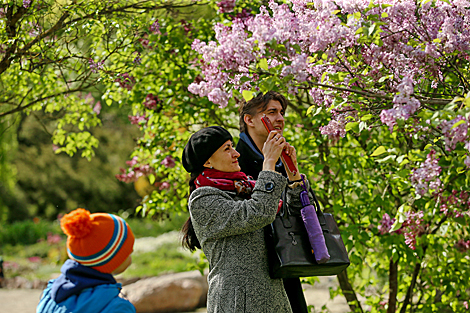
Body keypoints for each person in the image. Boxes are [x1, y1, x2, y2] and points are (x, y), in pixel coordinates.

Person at [181, 126, 311, 312]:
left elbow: (297, 215)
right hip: (235, 303)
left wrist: (293, 172)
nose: (236, 154)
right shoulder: (202, 199)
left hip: (274, 298)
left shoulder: (247, 188)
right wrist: (269, 163)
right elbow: (257, 213)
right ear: (207, 161)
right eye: (227, 149)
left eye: (233, 146)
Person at [236, 91, 309, 313]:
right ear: (249, 120)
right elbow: (250, 214)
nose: (280, 118)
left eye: (282, 112)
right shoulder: (234, 160)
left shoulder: (280, 158)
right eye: (271, 112)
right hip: (252, 270)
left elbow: (301, 210)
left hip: (287, 259)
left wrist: (293, 173)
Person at [37, 208, 136, 313]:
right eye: (127, 250)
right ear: (112, 262)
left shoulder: (51, 294)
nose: (132, 250)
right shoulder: (116, 308)